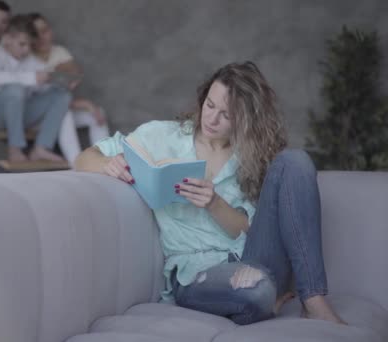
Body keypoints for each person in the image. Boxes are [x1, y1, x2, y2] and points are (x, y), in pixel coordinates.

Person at [75, 62, 346, 325]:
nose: (212, 119)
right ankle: (265, 300)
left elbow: (250, 229)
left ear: (246, 120)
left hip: (255, 257)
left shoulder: (251, 155)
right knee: (257, 289)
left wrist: (214, 203)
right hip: (198, 272)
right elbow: (85, 158)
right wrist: (106, 164)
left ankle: (314, 301)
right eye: (210, 105)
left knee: (295, 160)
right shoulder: (162, 137)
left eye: (226, 115)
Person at [0, 15, 71, 163]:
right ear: (7, 39)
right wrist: (31, 78)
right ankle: (15, 149)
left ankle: (41, 148)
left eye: (29, 45)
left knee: (61, 95)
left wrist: (51, 81)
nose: (26, 50)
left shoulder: (31, 60)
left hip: (19, 116)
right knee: (16, 90)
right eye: (22, 44)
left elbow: (38, 88)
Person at [30, 13, 110, 167]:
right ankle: (78, 165)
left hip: (61, 107)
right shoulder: (28, 57)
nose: (42, 37)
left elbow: (73, 77)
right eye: (36, 33)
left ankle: (106, 161)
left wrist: (87, 106)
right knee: (65, 114)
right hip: (38, 117)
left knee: (96, 114)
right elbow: (48, 101)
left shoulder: (58, 52)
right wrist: (84, 104)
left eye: (45, 30)